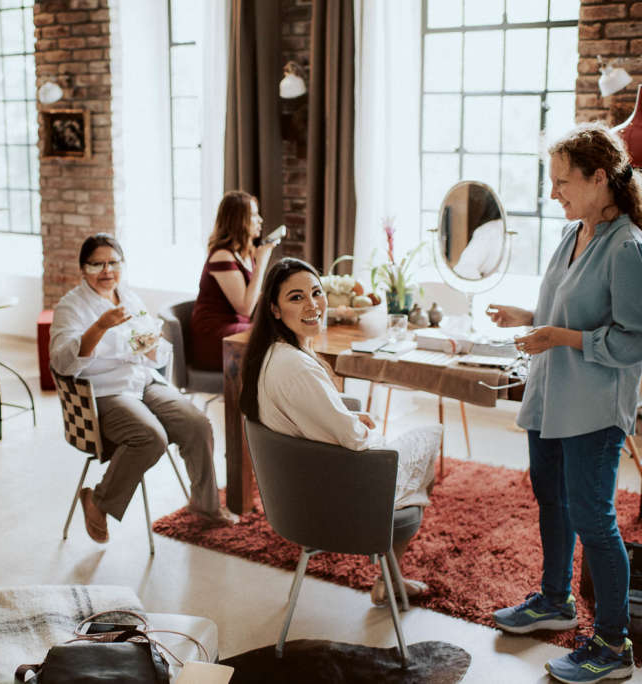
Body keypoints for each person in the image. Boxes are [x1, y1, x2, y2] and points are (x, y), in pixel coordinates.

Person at [487, 122, 642, 684]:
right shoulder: (572, 234)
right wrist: (526, 318)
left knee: (593, 518)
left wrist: (560, 337)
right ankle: (555, 600)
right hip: (551, 398)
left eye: (563, 181)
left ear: (599, 178)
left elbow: (640, 339)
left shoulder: (627, 246)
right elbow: (565, 310)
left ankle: (613, 645)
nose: (553, 192)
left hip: (592, 408)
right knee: (552, 500)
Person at [239, 257, 441, 604]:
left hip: (298, 491)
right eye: (296, 297)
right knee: (427, 444)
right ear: (274, 309)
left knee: (408, 448)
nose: (313, 304)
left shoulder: (273, 354)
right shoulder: (297, 368)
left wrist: (348, 416)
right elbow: (353, 440)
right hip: (329, 499)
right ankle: (389, 580)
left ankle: (389, 578)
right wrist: (363, 430)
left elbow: (313, 414)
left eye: (316, 293)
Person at [50, 234, 238, 543]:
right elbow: (62, 363)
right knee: (151, 437)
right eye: (96, 264)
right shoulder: (70, 307)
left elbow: (155, 350)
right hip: (104, 392)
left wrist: (152, 346)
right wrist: (100, 327)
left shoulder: (129, 297)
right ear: (82, 269)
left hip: (143, 380)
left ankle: (205, 506)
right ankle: (98, 500)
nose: (106, 271)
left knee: (197, 424)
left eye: (113, 263)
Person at [190, 191, 276, 371]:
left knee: (278, 330)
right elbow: (245, 308)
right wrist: (261, 263)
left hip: (236, 326)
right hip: (214, 334)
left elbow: (254, 296)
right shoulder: (222, 255)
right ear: (238, 220)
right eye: (254, 215)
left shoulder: (245, 254)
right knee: (270, 335)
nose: (260, 220)